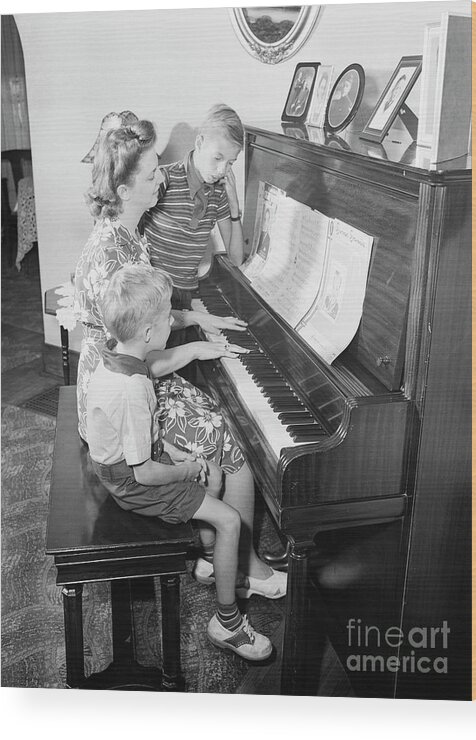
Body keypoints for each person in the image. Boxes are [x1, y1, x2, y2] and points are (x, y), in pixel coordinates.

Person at [74, 118, 286, 601]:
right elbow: (131, 364)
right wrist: (192, 343)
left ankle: (215, 556)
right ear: (125, 188)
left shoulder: (123, 232)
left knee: (228, 417)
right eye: (151, 175)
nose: (162, 178)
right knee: (239, 442)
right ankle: (241, 565)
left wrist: (194, 317)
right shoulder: (113, 256)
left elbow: (146, 322)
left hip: (133, 378)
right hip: (117, 398)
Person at [86, 263, 273, 660]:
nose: (174, 320)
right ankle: (228, 623)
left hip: (128, 463)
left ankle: (209, 562)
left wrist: (180, 456)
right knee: (229, 519)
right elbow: (144, 472)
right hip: (132, 483)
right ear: (150, 333)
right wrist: (186, 467)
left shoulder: (115, 357)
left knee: (216, 471)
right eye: (168, 315)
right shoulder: (133, 389)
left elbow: (139, 432)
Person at [143, 104, 246, 320]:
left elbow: (236, 258)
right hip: (151, 296)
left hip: (184, 296)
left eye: (231, 163)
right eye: (217, 158)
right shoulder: (164, 179)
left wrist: (234, 207)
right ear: (199, 143)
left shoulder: (219, 193)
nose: (222, 170)